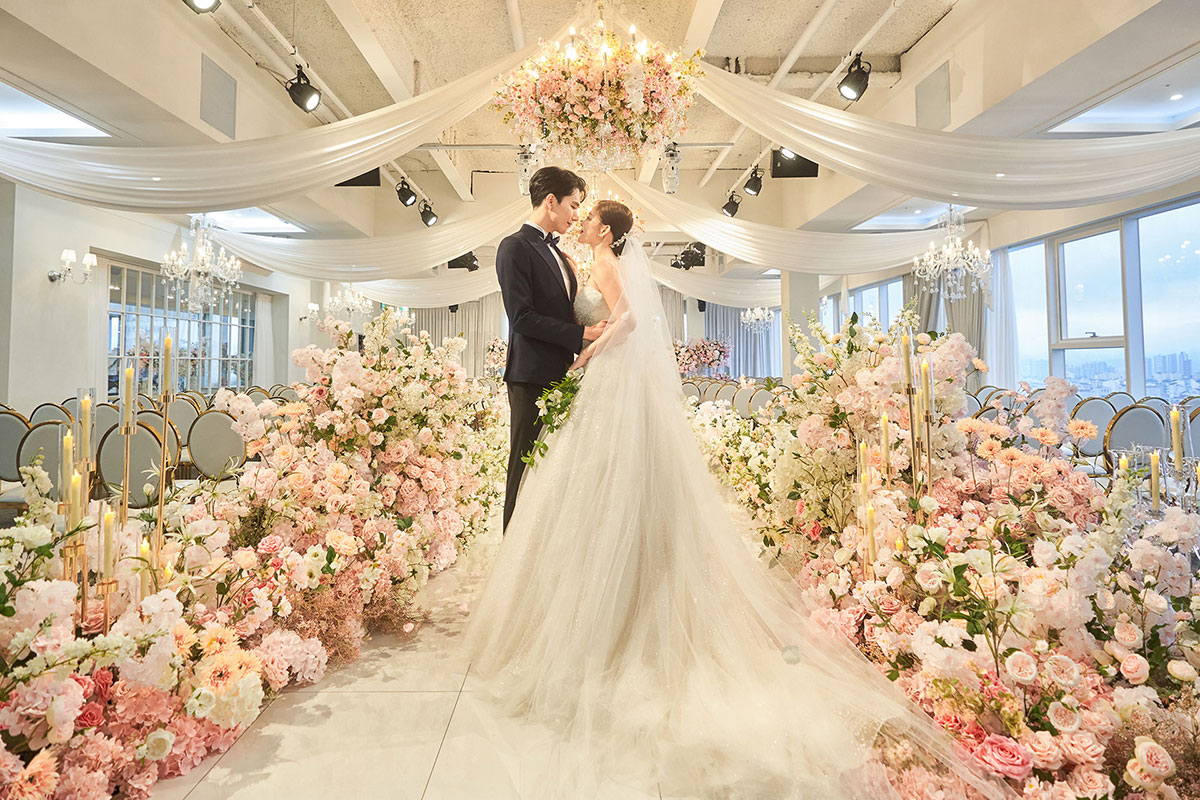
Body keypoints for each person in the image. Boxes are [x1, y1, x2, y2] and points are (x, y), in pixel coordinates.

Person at [458, 200, 1017, 799]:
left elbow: (630, 320)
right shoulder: (583, 259)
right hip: (602, 380)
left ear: (608, 230)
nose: (582, 219)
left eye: (590, 215)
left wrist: (591, 348)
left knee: (601, 478)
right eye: (580, 209)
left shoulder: (602, 263)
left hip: (606, 376)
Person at [495, 166, 608, 531]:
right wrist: (583, 334)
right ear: (550, 201)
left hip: (563, 373)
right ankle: (512, 547)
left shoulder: (560, 254)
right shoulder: (514, 247)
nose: (576, 216)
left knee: (553, 470)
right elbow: (522, 318)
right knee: (524, 463)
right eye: (573, 206)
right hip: (530, 375)